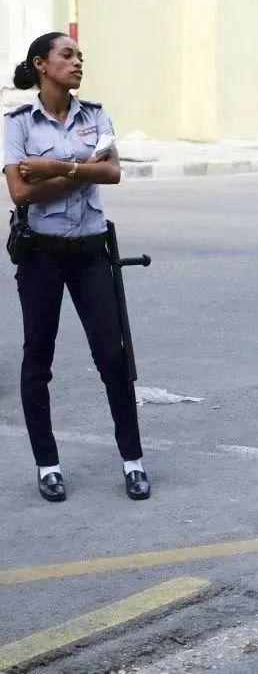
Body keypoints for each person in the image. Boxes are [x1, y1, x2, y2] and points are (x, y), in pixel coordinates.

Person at [3, 32, 151, 502]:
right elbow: (20, 193)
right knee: (38, 358)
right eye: (66, 55)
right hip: (41, 254)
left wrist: (52, 169)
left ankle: (133, 460)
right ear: (41, 65)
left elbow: (113, 172)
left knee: (113, 356)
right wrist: (83, 169)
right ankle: (48, 465)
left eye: (80, 55)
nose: (77, 62)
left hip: (90, 251)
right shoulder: (18, 124)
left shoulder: (96, 115)